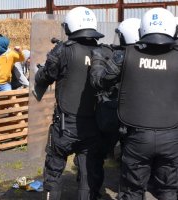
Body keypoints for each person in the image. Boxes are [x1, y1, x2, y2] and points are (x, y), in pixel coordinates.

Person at [91, 8, 178, 200]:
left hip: (137, 137)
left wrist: (97, 59)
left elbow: (100, 81)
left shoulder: (126, 55)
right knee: (169, 191)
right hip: (171, 135)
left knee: (132, 191)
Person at [34, 6, 104, 200]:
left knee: (54, 171)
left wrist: (39, 70)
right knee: (88, 173)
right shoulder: (102, 50)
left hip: (65, 126)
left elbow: (45, 76)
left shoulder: (63, 50)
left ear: (70, 26)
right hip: (92, 123)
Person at [89, 18, 141, 198]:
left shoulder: (122, 56)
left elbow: (99, 80)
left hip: (115, 116)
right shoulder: (149, 56)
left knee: (96, 154)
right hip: (139, 119)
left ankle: (92, 192)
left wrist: (97, 60)